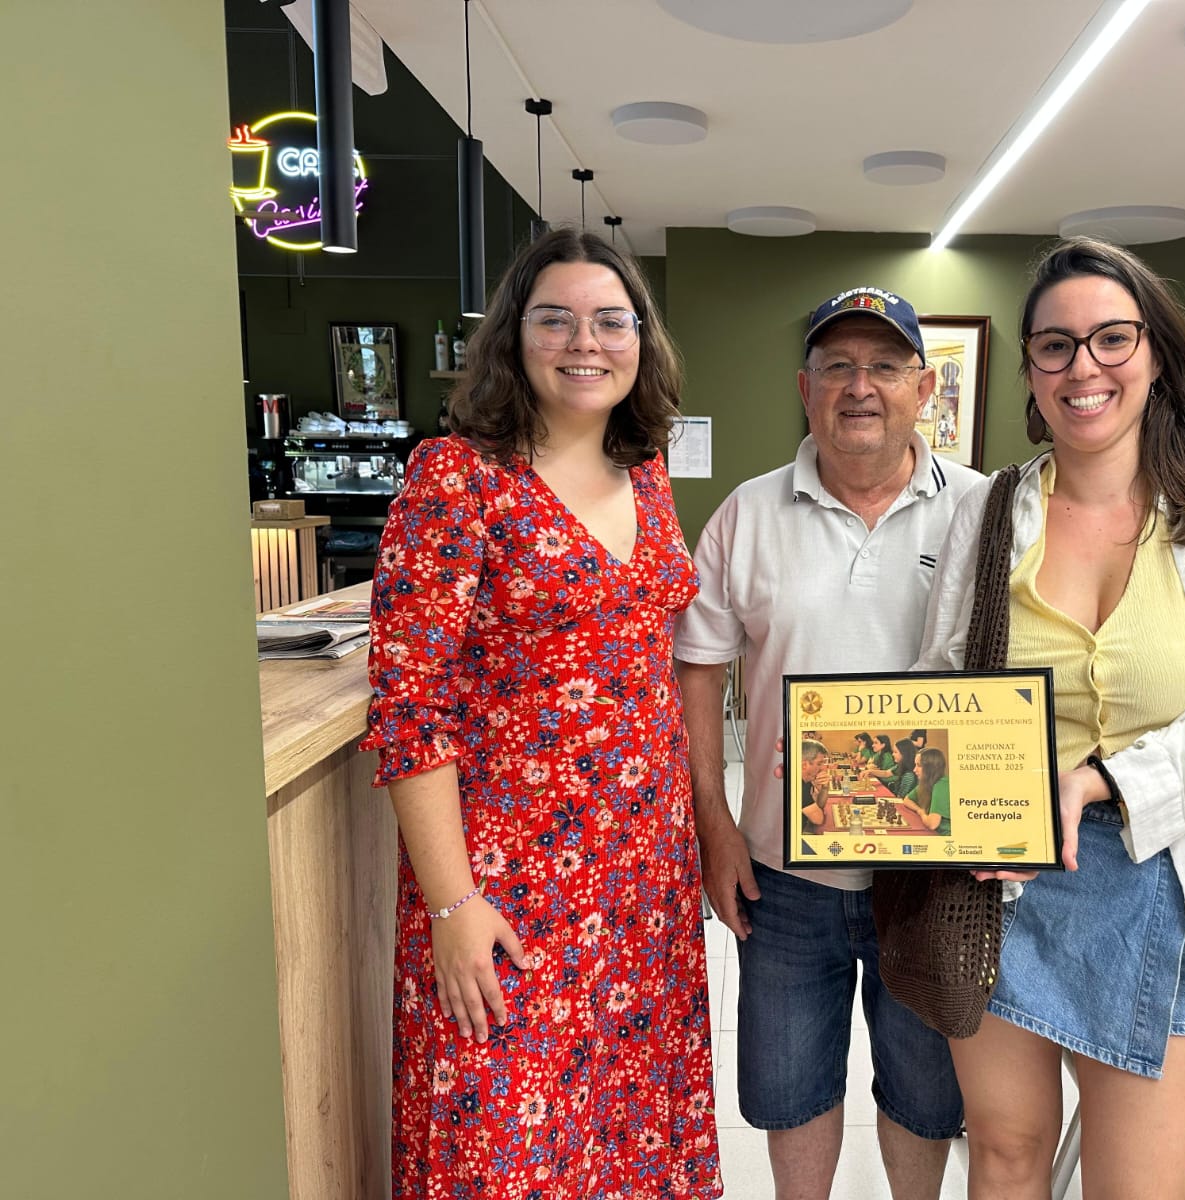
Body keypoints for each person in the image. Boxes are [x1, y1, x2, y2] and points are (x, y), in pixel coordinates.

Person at [914, 237, 1185, 1199]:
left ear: (1157, 353)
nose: (1083, 367)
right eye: (1055, 346)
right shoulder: (992, 513)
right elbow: (941, 679)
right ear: (1032, 372)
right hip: (999, 885)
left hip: (1160, 885)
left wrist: (1097, 781)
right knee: (1005, 1158)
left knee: (1138, 1185)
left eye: (1111, 339)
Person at [360, 227, 721, 1200]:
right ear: (512, 338)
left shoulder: (646, 473)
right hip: (507, 885)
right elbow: (407, 708)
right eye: (554, 318)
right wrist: (451, 904)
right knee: (502, 1142)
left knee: (617, 1131)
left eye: (612, 320)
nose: (585, 341)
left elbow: (650, 655)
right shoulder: (457, 477)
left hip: (640, 876)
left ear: (641, 339)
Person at [674, 285, 984, 1200]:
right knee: (788, 1089)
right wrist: (715, 827)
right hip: (781, 877)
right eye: (838, 367)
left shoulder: (983, 510)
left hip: (929, 877)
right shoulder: (746, 515)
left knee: (927, 1094)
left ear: (924, 388)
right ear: (803, 388)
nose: (861, 386)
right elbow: (697, 671)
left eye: (885, 366)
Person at [901, 747, 949, 833]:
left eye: (919, 765)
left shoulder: (942, 785)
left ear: (931, 768)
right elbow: (907, 800)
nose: (914, 770)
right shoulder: (926, 783)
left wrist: (922, 814)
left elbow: (932, 824)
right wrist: (919, 810)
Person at [798, 739, 834, 832]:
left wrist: (824, 788)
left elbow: (820, 806)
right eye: (819, 763)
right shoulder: (797, 786)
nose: (823, 767)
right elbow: (818, 819)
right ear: (804, 765)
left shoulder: (807, 779)